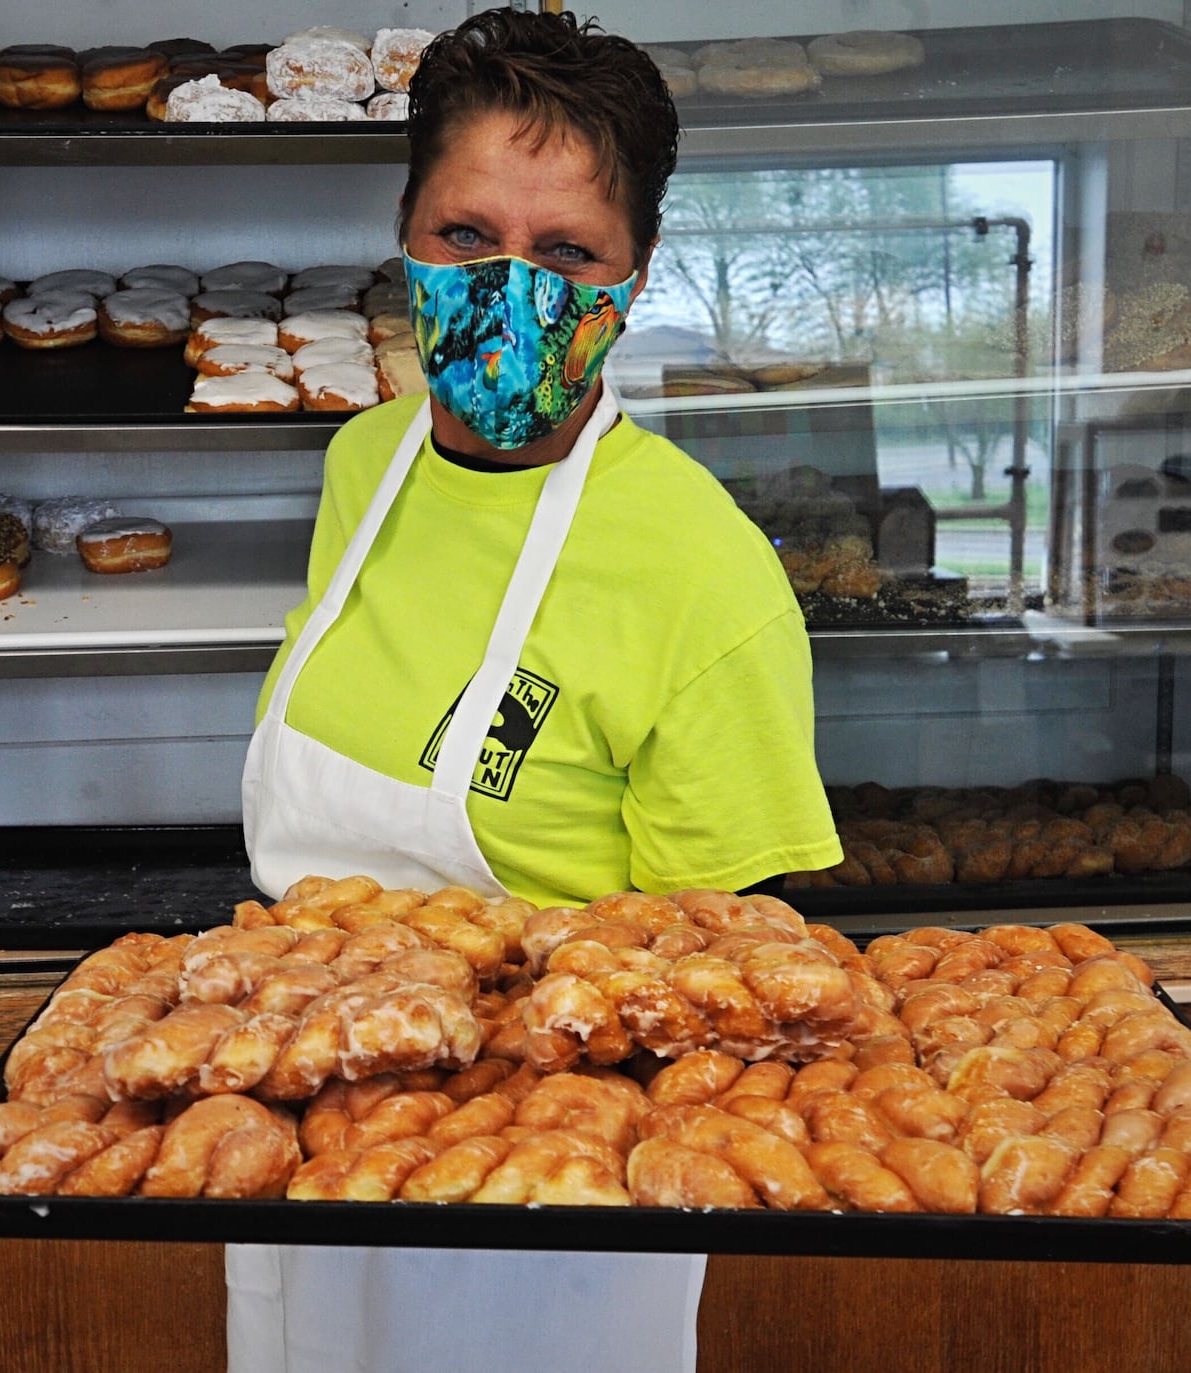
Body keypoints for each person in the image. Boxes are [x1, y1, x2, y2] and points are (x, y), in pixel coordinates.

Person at [234, 10, 842, 1372]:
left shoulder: (703, 576)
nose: (514, 287)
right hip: (309, 1154)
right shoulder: (366, 466)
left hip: (556, 1205)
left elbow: (728, 1001)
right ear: (405, 236)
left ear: (634, 280)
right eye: (467, 237)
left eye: (567, 252)